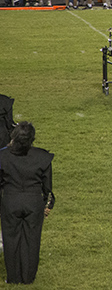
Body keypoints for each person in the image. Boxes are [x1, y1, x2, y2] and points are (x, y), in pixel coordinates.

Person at [0, 122, 55, 285]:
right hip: (33, 201)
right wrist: (47, 205)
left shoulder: (2, 156)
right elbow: (47, 186)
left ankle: (13, 277)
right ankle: (28, 277)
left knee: (11, 238)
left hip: (10, 200)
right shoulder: (42, 157)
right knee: (32, 239)